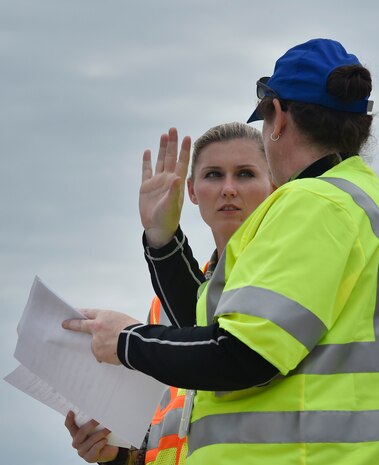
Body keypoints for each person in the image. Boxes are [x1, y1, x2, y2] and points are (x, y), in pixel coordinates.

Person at [63, 37, 379, 464]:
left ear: (278, 117)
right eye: (213, 175)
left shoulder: (315, 202)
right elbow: (208, 324)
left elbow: (242, 355)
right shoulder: (356, 200)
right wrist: (163, 241)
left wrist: (126, 341)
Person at [64, 122, 274, 464]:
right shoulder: (161, 310)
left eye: (246, 174)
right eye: (214, 175)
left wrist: (126, 340)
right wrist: (117, 454)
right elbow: (166, 440)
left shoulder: (283, 288)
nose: (229, 188)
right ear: (191, 191)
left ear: (274, 185)